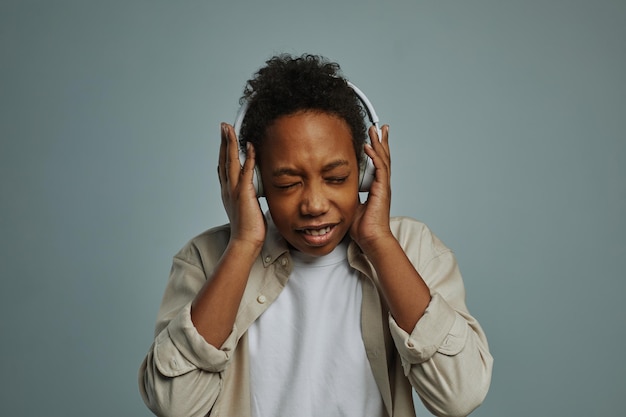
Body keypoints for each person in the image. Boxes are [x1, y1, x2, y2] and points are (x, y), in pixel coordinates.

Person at [139, 54, 492, 417]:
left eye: (337, 178)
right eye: (288, 183)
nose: (314, 204)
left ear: (367, 171)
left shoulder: (412, 248)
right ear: (255, 182)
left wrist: (379, 242)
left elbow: (459, 396)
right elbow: (174, 405)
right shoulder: (206, 257)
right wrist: (243, 245)